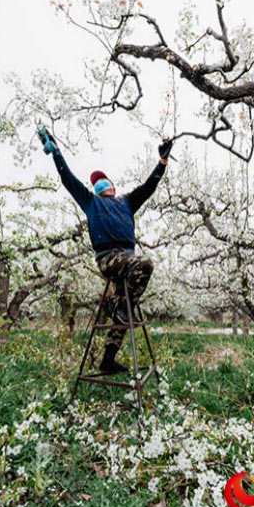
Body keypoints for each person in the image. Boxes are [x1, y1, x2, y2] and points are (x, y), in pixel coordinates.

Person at [38, 127, 172, 374]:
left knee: (125, 311)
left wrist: (162, 163)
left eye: (102, 180)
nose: (98, 183)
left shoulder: (126, 202)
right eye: (95, 182)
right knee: (146, 265)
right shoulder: (91, 202)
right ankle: (115, 307)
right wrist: (55, 151)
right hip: (109, 259)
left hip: (126, 260)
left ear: (112, 185)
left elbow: (148, 187)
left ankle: (108, 358)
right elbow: (68, 178)